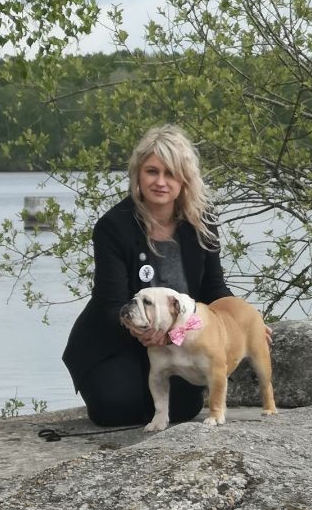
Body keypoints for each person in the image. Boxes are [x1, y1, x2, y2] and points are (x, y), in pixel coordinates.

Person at [63, 123, 234, 427]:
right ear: (138, 174)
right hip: (117, 338)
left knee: (183, 410)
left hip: (179, 340)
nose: (161, 182)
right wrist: (140, 331)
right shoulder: (112, 227)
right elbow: (110, 303)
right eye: (152, 171)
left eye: (170, 173)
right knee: (113, 407)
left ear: (185, 180)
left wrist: (245, 320)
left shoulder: (202, 221)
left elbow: (215, 289)